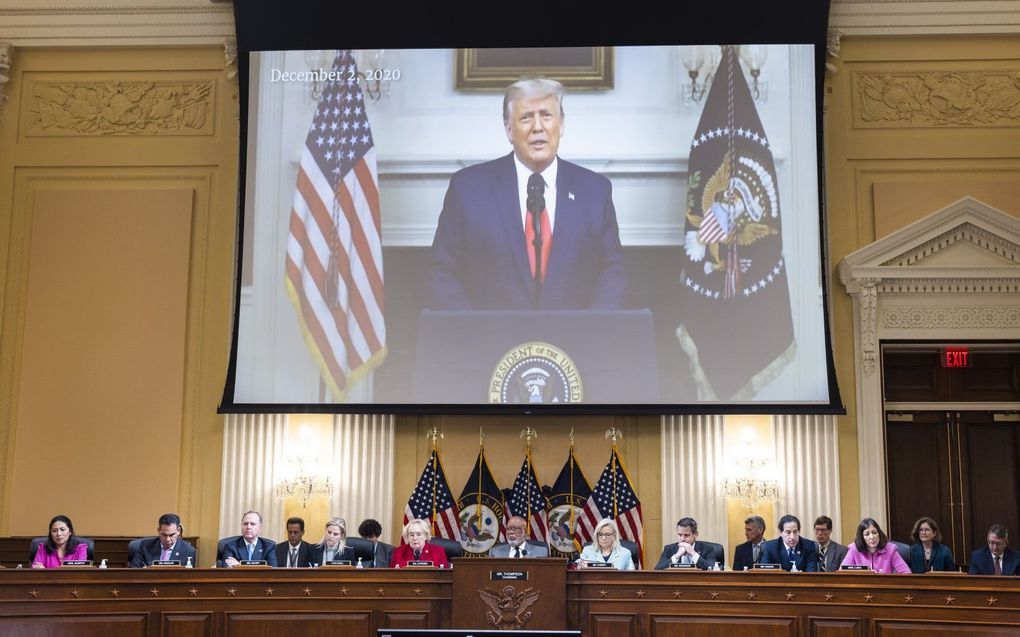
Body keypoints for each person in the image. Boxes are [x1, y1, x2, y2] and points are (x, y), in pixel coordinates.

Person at [427, 78, 628, 311]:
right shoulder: (468, 189)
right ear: (509, 129)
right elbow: (441, 272)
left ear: (561, 125)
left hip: (573, 341)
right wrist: (475, 332)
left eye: (546, 115)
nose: (537, 127)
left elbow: (614, 272)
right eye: (526, 118)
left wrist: (588, 330)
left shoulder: (595, 190)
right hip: (491, 342)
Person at [839, 517, 910, 573]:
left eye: (874, 532)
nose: (872, 537)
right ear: (862, 537)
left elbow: (906, 573)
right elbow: (842, 572)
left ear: (879, 533)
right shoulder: (854, 550)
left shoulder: (890, 549)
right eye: (867, 534)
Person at [654, 517, 724, 570]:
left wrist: (693, 553)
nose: (682, 539)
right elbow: (657, 570)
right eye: (680, 535)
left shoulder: (707, 549)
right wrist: (676, 556)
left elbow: (711, 569)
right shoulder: (669, 549)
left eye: (686, 535)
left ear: (695, 534)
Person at [129, 513, 197, 567]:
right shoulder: (145, 546)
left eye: (171, 535)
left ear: (178, 531)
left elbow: (189, 576)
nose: (167, 539)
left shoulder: (189, 551)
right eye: (164, 535)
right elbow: (134, 571)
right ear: (158, 530)